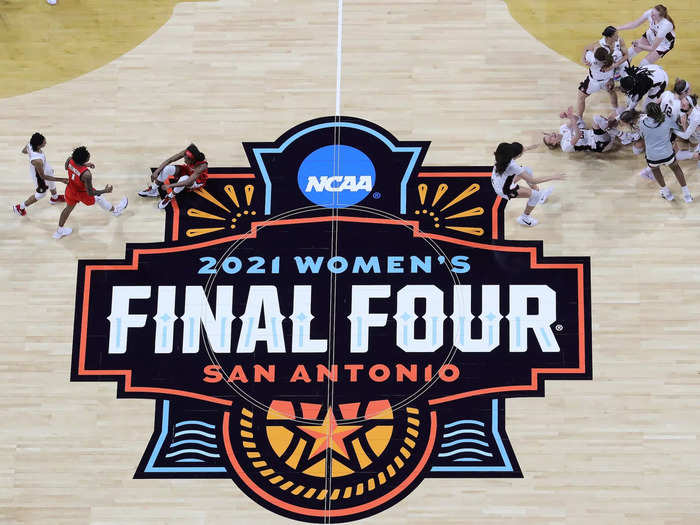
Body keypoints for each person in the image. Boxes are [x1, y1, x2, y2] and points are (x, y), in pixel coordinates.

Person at [53, 146, 128, 239]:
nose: (89, 155)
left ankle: (59, 231)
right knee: (99, 197)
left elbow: (66, 167)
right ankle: (116, 210)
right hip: (82, 194)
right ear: (83, 159)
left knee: (67, 209)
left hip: (70, 190)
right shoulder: (86, 174)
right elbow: (90, 193)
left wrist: (84, 164)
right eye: (87, 155)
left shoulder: (70, 159)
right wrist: (105, 190)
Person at [491, 142, 564, 227]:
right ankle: (524, 218)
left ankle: (538, 195)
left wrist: (530, 147)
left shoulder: (502, 152)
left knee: (527, 170)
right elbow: (533, 181)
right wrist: (553, 177)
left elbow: (516, 151)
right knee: (536, 195)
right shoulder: (513, 166)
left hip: (498, 181)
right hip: (504, 190)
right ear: (517, 155)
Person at [634, 102, 692, 202]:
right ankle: (686, 195)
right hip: (668, 155)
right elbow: (678, 129)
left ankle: (666, 193)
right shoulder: (666, 120)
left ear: (648, 113)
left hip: (652, 157)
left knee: (656, 171)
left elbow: (643, 136)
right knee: (676, 168)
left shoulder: (641, 124)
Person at [138, 143, 208, 209]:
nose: (184, 161)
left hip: (197, 181)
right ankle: (154, 190)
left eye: (186, 160)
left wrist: (169, 186)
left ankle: (170, 196)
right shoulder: (188, 152)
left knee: (184, 179)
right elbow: (170, 160)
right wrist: (157, 171)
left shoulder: (202, 166)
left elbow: (187, 182)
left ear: (192, 160)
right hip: (188, 171)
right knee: (167, 169)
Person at [12, 132, 67, 217]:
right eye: (44, 142)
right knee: (41, 194)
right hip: (39, 175)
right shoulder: (37, 160)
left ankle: (54, 198)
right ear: (38, 146)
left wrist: (30, 154)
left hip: (44, 168)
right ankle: (20, 207)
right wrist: (62, 180)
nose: (45, 142)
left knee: (51, 183)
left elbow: (23, 151)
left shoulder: (30, 144)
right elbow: (43, 176)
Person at [543, 108, 616, 153]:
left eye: (549, 134)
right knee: (596, 119)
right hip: (599, 145)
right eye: (550, 138)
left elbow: (577, 119)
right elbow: (578, 135)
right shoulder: (565, 147)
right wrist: (571, 118)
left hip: (598, 133)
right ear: (553, 144)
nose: (552, 135)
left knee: (615, 113)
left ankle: (615, 131)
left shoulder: (562, 129)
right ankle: (616, 132)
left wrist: (566, 116)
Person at [576, 47, 615, 118]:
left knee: (581, 98)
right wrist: (612, 79)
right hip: (607, 81)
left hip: (593, 83)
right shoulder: (611, 57)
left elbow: (585, 49)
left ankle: (579, 119)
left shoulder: (592, 59)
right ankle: (617, 111)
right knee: (612, 93)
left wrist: (583, 60)